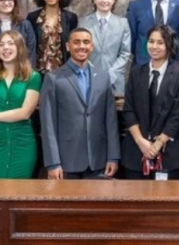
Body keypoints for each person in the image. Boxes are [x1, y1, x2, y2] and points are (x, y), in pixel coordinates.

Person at [39, 28, 120, 179]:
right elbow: (48, 124)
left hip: (98, 161)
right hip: (66, 163)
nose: (81, 46)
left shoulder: (103, 77)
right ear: (68, 46)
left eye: (86, 42)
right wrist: (53, 163)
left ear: (92, 47)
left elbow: (110, 120)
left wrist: (113, 157)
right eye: (76, 42)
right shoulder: (53, 78)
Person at [122, 26, 179, 180]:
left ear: (169, 46)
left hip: (168, 153)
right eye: (151, 41)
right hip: (135, 152)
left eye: (160, 43)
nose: (154, 46)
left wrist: (157, 144)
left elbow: (177, 116)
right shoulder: (136, 72)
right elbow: (129, 110)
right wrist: (141, 141)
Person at [0, 30, 42, 179]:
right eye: (1, 44)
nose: (5, 48)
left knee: (18, 194)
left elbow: (24, 113)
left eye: (11, 43)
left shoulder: (33, 77)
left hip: (23, 144)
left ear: (20, 48)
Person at [78, 0, 131, 96]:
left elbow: (125, 53)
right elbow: (79, 50)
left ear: (114, 0)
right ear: (94, 0)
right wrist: (93, 73)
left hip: (114, 81)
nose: (104, 0)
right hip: (88, 78)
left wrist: (110, 74)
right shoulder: (83, 22)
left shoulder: (123, 23)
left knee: (114, 113)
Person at [26, 0, 79, 75]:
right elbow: (29, 46)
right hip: (37, 73)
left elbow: (72, 46)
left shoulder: (71, 18)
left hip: (63, 72)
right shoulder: (32, 17)